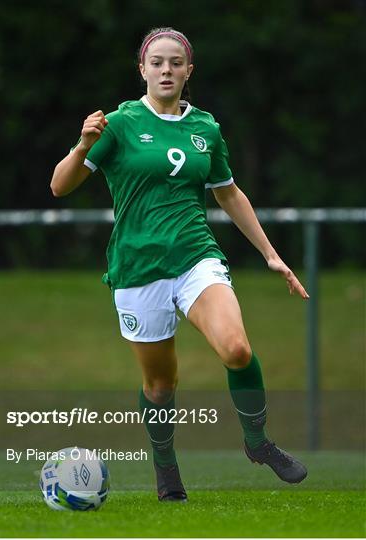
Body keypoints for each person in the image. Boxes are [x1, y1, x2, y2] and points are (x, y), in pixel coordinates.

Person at [50, 27, 309, 502]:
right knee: (160, 384)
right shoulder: (120, 123)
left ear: (189, 71)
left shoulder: (206, 128)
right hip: (136, 267)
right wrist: (83, 145)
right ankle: (166, 470)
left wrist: (271, 255)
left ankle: (257, 443)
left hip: (195, 255)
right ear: (142, 70)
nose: (166, 70)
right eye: (157, 62)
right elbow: (59, 187)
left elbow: (228, 192)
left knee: (235, 349)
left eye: (175, 63)